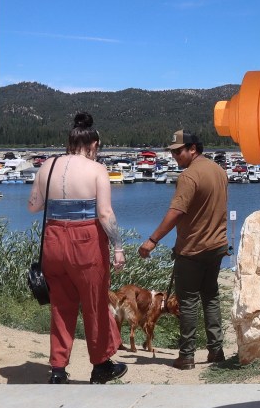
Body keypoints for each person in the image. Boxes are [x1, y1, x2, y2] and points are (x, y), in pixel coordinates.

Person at [27, 112, 128, 384]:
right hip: (86, 241)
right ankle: (101, 365)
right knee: (95, 304)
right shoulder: (96, 169)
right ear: (93, 144)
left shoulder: (47, 165)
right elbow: (105, 213)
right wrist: (118, 247)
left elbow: (33, 206)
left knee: (61, 306)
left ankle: (58, 370)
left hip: (53, 240)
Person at [139, 131, 229, 369]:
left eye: (178, 151)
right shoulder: (219, 171)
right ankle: (216, 351)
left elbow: (176, 212)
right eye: (172, 152)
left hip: (193, 249)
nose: (175, 156)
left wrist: (153, 240)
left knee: (188, 301)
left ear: (193, 149)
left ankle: (187, 355)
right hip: (217, 246)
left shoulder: (189, 176)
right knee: (211, 297)